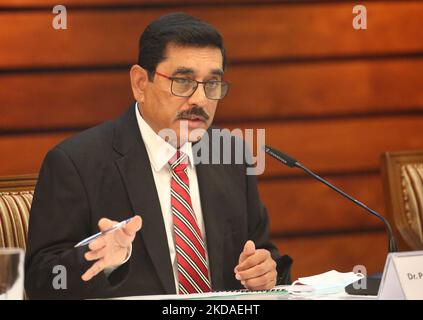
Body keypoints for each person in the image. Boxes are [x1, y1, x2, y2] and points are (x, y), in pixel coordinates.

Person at [25, 12, 292, 299]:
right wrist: (103, 261)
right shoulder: (76, 163)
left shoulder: (230, 156)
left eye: (212, 84)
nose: (200, 100)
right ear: (140, 83)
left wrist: (265, 272)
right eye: (183, 81)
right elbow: (41, 281)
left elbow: (265, 255)